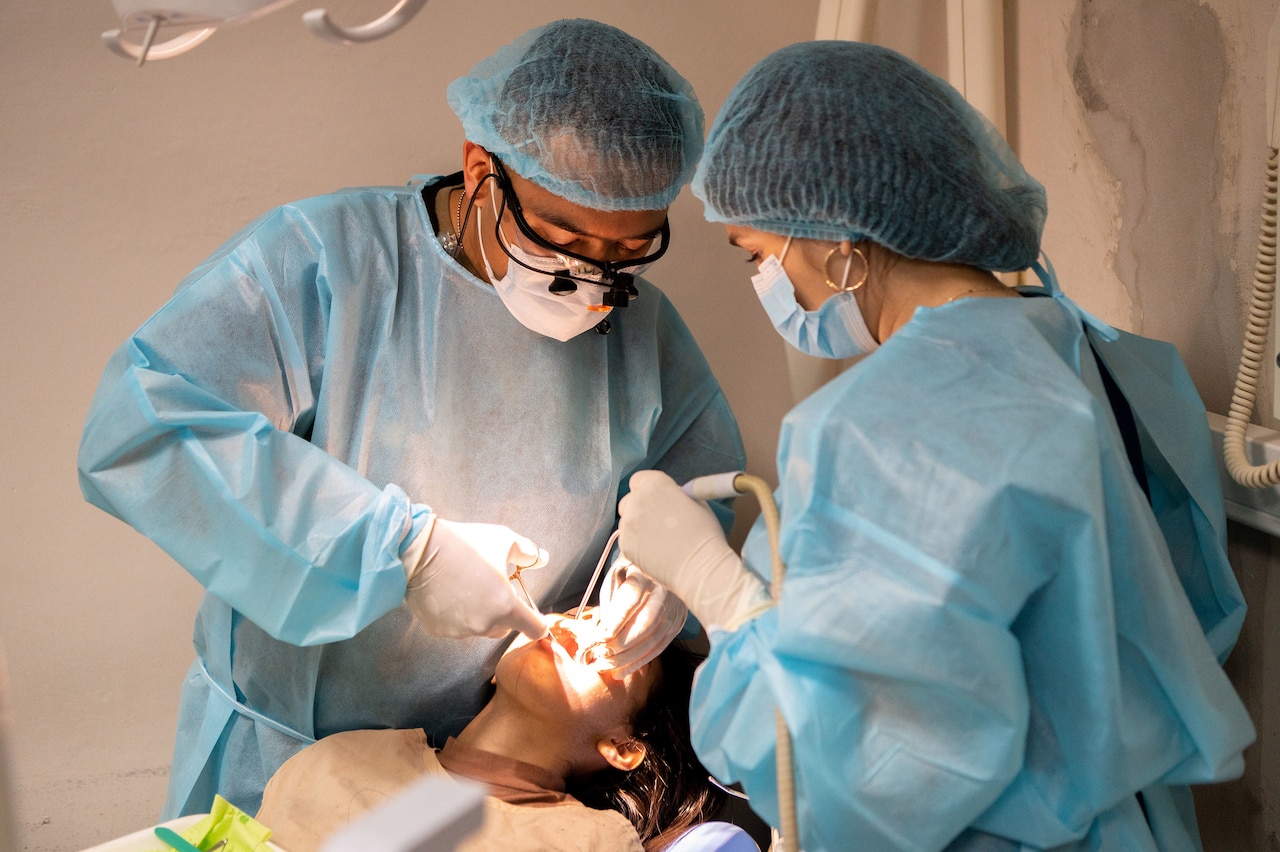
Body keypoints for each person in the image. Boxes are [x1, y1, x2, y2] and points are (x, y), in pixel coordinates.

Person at [76, 18, 745, 821]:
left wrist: (668, 575)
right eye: (561, 239)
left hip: (492, 788)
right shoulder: (329, 263)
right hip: (285, 758)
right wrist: (401, 549)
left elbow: (694, 479)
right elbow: (145, 423)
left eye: (626, 254)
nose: (591, 283)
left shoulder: (645, 333)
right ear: (482, 171)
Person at [617, 40, 1256, 852]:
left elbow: (841, 780)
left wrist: (725, 598)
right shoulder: (1105, 357)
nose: (767, 286)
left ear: (836, 234)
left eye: (756, 255)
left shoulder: (889, 427)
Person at [256, 609, 756, 852]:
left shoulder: (590, 843)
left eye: (615, 651)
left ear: (622, 748)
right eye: (583, 613)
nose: (574, 628)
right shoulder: (345, 756)